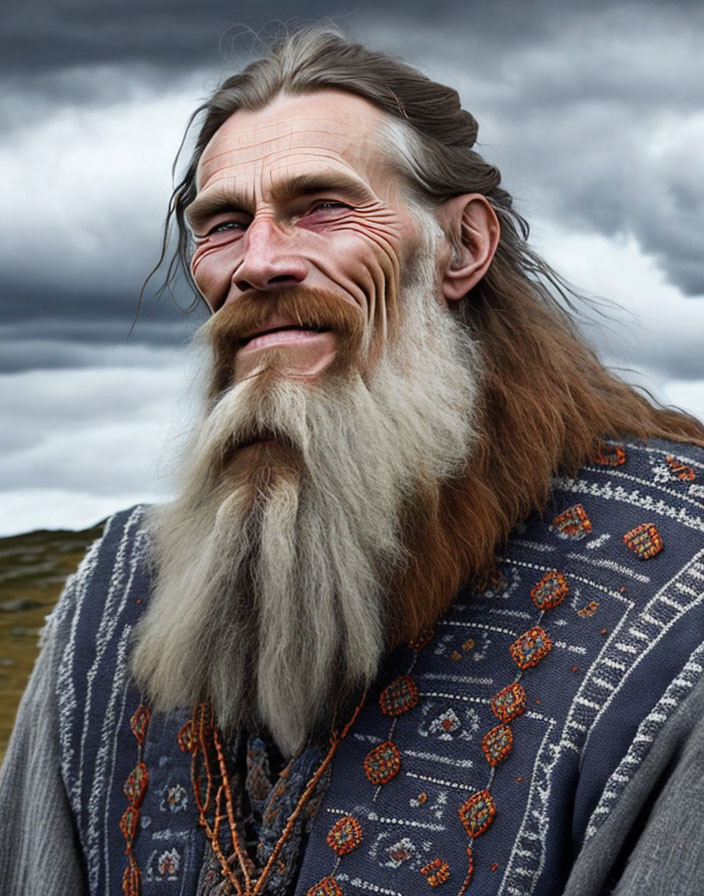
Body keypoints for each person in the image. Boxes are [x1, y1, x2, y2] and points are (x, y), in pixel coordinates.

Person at [2, 28, 704, 896]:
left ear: (463, 248)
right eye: (223, 224)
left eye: (322, 206)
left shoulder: (683, 592)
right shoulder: (113, 601)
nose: (259, 262)